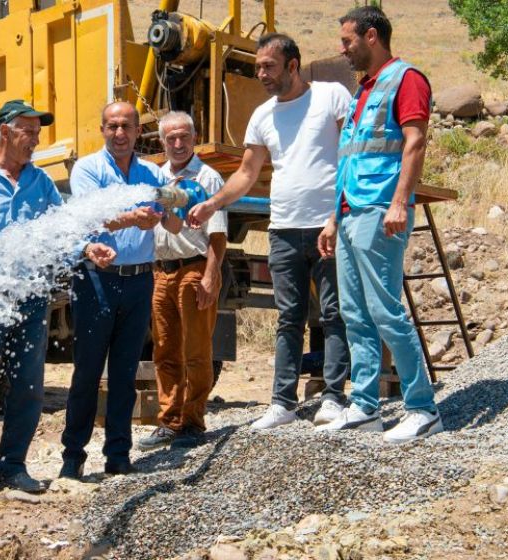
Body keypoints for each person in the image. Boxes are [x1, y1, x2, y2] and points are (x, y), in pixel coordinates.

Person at [0, 99, 115, 493]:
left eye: (37, 133)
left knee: (28, 386)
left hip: (30, 299)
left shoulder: (41, 183)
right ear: (5, 132)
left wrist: (87, 250)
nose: (35, 140)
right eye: (28, 132)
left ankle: (13, 466)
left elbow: (61, 229)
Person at [188, 33, 353, 430]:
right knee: (288, 318)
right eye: (259, 66)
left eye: (269, 66)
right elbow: (247, 172)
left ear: (292, 65)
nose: (261, 73)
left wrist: (339, 214)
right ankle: (282, 402)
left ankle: (333, 397)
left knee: (333, 314)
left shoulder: (331, 97)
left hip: (326, 226)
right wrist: (214, 202)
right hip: (283, 229)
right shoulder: (263, 115)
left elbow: (352, 156)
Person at [315, 6, 442, 443]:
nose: (342, 49)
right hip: (351, 212)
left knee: (386, 310)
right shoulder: (362, 91)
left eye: (348, 41)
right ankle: (365, 406)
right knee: (354, 313)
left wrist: (400, 203)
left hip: (380, 211)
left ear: (372, 36)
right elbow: (350, 159)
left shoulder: (405, 79)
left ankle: (422, 407)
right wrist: (333, 217)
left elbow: (415, 141)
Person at [59, 101, 182, 479]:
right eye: (112, 126)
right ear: (102, 130)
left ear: (137, 132)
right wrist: (134, 218)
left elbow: (172, 224)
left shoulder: (151, 173)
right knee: (88, 372)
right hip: (98, 279)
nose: (119, 133)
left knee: (125, 374)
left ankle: (118, 456)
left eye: (127, 126)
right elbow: (89, 216)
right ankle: (73, 457)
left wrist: (180, 213)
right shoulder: (88, 170)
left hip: (139, 280)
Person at [136, 112, 226, 451]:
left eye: (183, 137)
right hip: (161, 271)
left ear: (194, 137)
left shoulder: (208, 178)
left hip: (193, 268)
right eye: (170, 138)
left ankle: (193, 422)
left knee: (197, 351)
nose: (177, 143)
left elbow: (218, 234)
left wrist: (210, 275)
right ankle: (168, 421)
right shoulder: (155, 178)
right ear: (161, 141)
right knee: (165, 350)